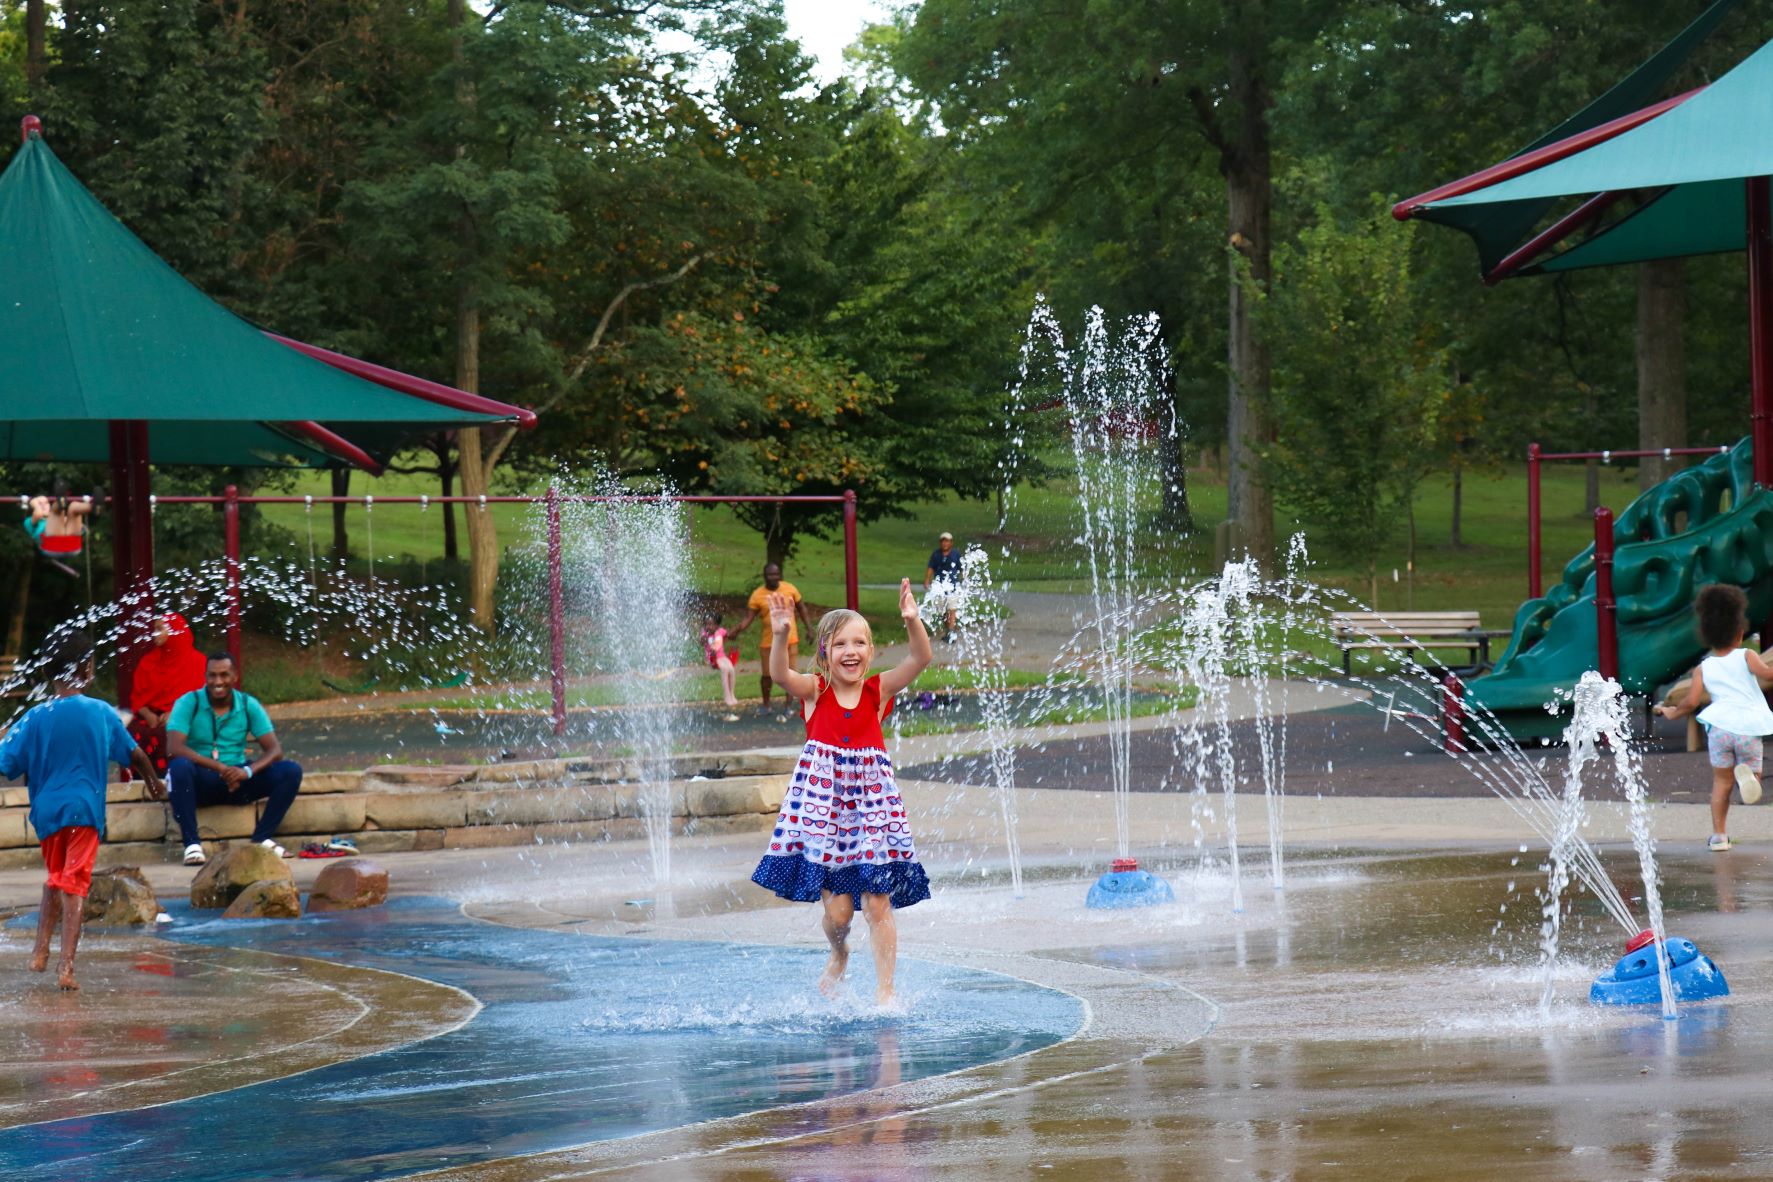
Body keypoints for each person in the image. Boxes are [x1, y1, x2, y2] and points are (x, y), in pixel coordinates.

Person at [749, 578, 933, 1005]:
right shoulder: (817, 691)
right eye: (840, 644)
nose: (851, 651)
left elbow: (921, 657)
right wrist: (779, 635)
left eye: (860, 643)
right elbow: (779, 674)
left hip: (871, 813)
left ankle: (885, 988)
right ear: (825, 654)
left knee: (878, 903)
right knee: (839, 914)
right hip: (826, 816)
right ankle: (839, 951)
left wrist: (912, 620)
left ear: (870, 651)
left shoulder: (877, 691)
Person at [0, 631, 163, 990]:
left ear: (48, 674)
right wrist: (154, 781)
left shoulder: (34, 717)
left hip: (46, 817)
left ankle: (39, 951)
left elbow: (4, 761)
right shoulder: (100, 712)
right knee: (74, 885)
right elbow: (134, 754)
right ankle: (66, 968)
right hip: (83, 812)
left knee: (57, 876)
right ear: (87, 669)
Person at [1655, 584, 1773, 851]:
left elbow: (1691, 701)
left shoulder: (1704, 668)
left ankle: (1719, 836)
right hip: (1746, 727)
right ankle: (1750, 779)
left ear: (1707, 636)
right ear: (1741, 632)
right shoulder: (1747, 656)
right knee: (1752, 772)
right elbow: (1767, 675)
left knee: (1721, 782)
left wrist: (1673, 711)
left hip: (1719, 729)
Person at [165, 652, 304, 865]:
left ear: (235, 676)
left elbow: (275, 750)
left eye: (224, 675)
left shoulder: (248, 704)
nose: (218, 681)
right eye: (212, 675)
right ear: (205, 676)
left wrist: (246, 771)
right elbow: (174, 748)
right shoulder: (188, 702)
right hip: (203, 780)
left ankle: (262, 838)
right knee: (179, 767)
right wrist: (220, 767)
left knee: (290, 771)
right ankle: (192, 845)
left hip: (239, 780)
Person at [127, 613, 207, 777]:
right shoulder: (148, 662)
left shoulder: (198, 662)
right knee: (134, 734)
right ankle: (143, 782)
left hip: (185, 715)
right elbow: (137, 698)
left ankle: (176, 780)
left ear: (175, 632)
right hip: (152, 717)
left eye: (159, 629)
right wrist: (148, 714)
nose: (154, 634)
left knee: (174, 733)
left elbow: (203, 700)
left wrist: (176, 714)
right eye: (154, 629)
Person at [731, 563, 813, 710]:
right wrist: (736, 630)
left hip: (790, 640)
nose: (774, 577)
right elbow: (748, 618)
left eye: (776, 574)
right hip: (769, 642)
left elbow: (802, 608)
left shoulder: (790, 588)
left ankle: (789, 706)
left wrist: (809, 629)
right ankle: (766, 705)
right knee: (767, 676)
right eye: (770, 575)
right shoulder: (757, 595)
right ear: (765, 576)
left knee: (792, 674)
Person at [23, 478, 101, 577]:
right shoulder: (30, 521)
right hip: (51, 545)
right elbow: (38, 513)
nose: (43, 506)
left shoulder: (61, 518)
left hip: (73, 545)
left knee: (73, 507)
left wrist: (78, 525)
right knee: (57, 512)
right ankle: (60, 502)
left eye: (46, 503)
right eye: (40, 504)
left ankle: (93, 507)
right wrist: (34, 503)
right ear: (33, 508)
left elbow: (83, 530)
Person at [923, 531, 963, 640]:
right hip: (939, 588)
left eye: (947, 541)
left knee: (952, 609)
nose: (945, 544)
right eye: (943, 541)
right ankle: (949, 629)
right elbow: (931, 567)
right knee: (943, 613)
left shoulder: (955, 554)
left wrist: (963, 579)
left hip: (952, 587)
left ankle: (951, 633)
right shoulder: (936, 554)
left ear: (951, 543)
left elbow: (961, 568)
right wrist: (927, 579)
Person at [701, 612, 742, 712]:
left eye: (711, 624)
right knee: (724, 669)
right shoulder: (705, 633)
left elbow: (729, 634)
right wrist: (704, 639)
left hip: (722, 656)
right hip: (713, 658)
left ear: (717, 625)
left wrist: (735, 632)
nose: (708, 626)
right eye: (707, 624)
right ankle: (727, 696)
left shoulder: (720, 631)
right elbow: (701, 641)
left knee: (731, 669)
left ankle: (732, 694)